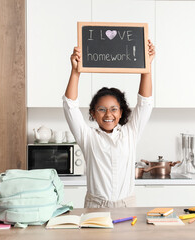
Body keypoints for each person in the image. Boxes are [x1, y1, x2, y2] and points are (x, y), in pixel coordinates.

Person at [63, 40, 155, 208]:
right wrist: (75, 72)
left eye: (114, 109)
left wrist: (146, 68)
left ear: (121, 113)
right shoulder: (88, 137)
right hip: (95, 206)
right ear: (93, 113)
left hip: (126, 206)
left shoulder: (130, 133)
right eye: (102, 109)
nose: (108, 114)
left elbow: (145, 103)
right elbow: (70, 106)